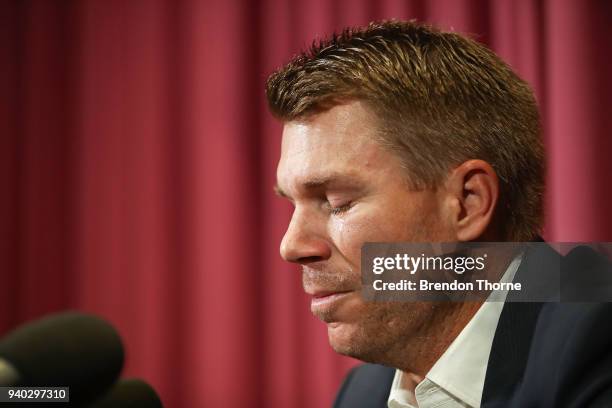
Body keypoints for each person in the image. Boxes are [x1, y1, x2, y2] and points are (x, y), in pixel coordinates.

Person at [266, 20, 612, 408]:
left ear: (467, 202)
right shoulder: (362, 393)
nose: (291, 246)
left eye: (337, 201)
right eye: (292, 203)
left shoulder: (597, 345)